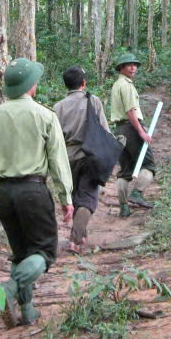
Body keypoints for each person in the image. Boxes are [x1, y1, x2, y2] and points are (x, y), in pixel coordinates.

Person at [0, 58, 73, 327]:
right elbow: (58, 162)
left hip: (4, 192)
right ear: (32, 86)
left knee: (21, 253)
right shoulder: (45, 116)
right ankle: (9, 289)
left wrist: (4, 165)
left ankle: (27, 311)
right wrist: (66, 199)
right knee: (43, 252)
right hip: (33, 189)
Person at [52, 65, 113, 252]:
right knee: (87, 199)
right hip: (90, 157)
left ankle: (81, 233)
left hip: (67, 159)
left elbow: (55, 139)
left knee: (76, 198)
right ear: (84, 83)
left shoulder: (58, 107)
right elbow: (105, 131)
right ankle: (75, 240)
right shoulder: (93, 101)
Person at [109, 51, 156, 217]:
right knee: (149, 165)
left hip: (119, 131)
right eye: (129, 65)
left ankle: (124, 207)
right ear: (121, 68)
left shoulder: (116, 85)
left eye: (135, 65)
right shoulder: (126, 85)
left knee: (125, 170)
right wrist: (141, 132)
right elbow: (130, 111)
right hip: (130, 128)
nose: (133, 67)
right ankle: (137, 194)